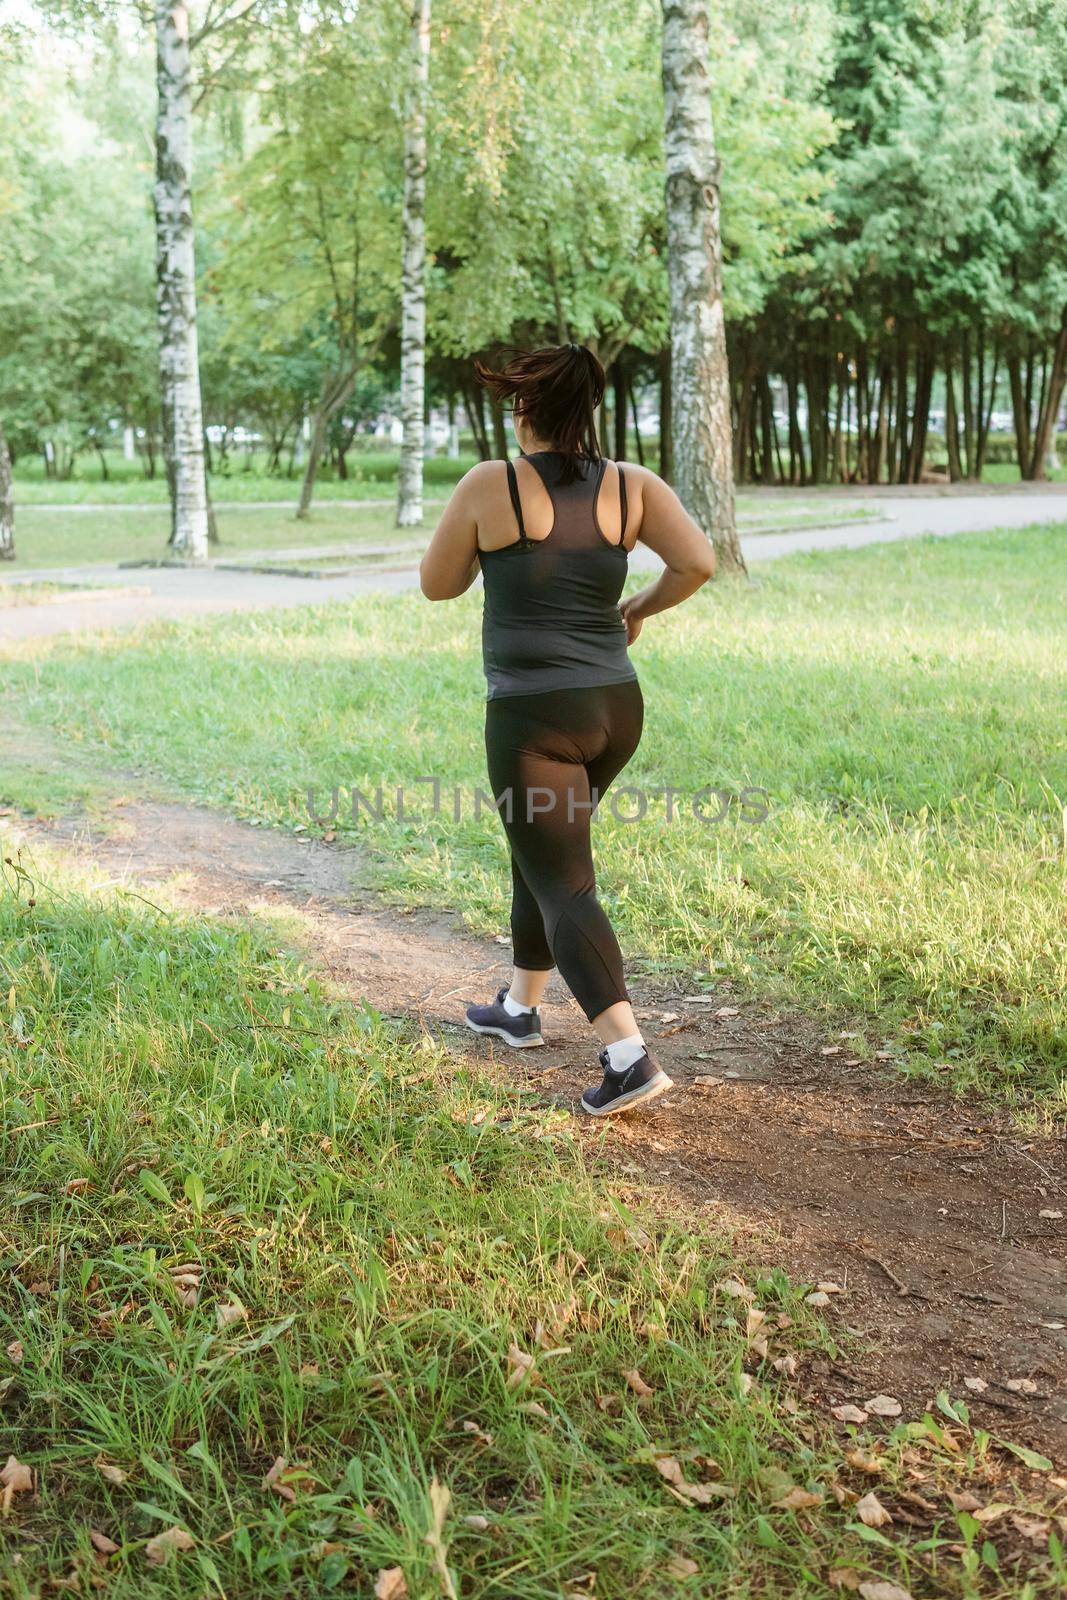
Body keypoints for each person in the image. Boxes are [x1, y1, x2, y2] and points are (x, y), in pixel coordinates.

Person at [419, 343, 715, 1115]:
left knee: (560, 877)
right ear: (586, 411)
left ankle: (628, 1057)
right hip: (614, 709)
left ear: (524, 410)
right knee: (542, 847)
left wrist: (502, 549)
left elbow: (437, 585)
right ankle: (518, 1008)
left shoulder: (493, 484)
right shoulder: (632, 485)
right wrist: (635, 610)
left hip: (532, 719)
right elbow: (697, 565)